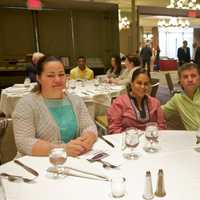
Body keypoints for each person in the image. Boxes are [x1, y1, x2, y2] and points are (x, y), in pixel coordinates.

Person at [13, 56, 97, 157]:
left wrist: (89, 137)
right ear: (39, 78)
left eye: (61, 74)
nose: (57, 79)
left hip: (72, 161)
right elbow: (24, 142)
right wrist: (62, 150)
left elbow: (89, 126)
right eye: (50, 76)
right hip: (36, 164)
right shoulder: (26, 104)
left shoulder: (76, 100)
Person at [107, 68, 166, 133]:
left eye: (146, 84)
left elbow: (161, 126)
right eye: (139, 83)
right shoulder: (119, 103)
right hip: (128, 141)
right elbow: (114, 129)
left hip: (151, 140)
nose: (142, 87)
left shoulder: (155, 103)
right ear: (132, 84)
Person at [162, 63, 200, 130]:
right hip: (193, 138)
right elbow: (161, 112)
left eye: (193, 76)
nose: (190, 80)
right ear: (180, 81)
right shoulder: (177, 99)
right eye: (185, 77)